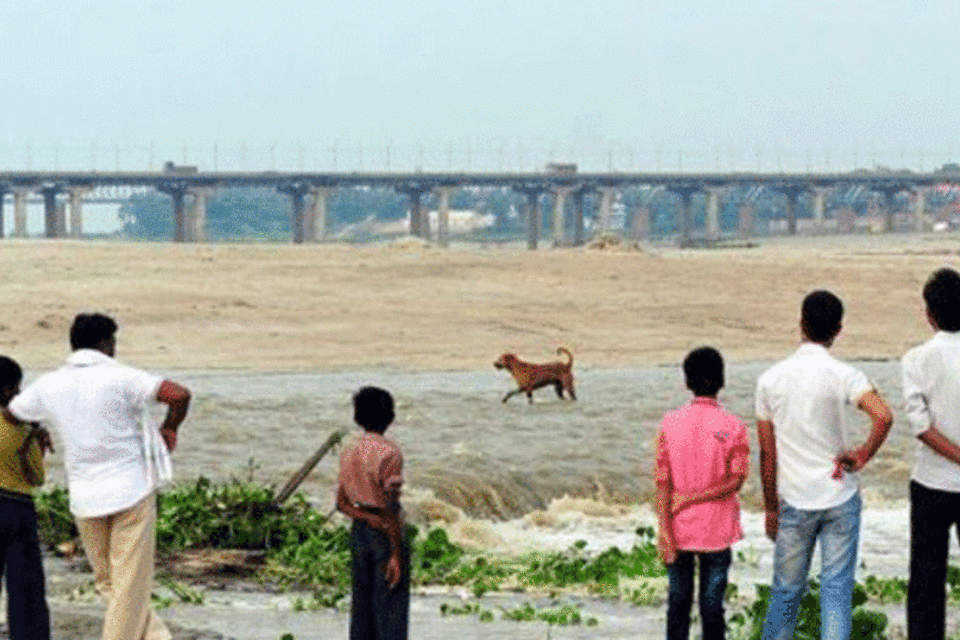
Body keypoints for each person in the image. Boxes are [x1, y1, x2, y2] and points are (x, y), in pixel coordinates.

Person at [5, 313, 191, 640]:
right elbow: (178, 395)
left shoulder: (50, 384)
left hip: (85, 500)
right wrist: (169, 430)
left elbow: (13, 411)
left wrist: (39, 428)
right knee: (128, 585)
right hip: (132, 492)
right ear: (106, 344)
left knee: (110, 583)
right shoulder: (124, 377)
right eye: (113, 342)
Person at [755, 290, 893, 640]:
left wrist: (770, 508)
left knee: (786, 593)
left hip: (794, 500)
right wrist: (863, 454)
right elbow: (884, 415)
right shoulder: (844, 374)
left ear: (800, 324)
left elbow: (767, 454)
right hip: (839, 495)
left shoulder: (770, 381)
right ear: (838, 330)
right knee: (836, 592)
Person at [655, 346, 750, 640]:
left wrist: (664, 531)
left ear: (687, 382)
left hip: (679, 528)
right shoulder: (732, 426)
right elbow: (736, 481)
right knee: (712, 607)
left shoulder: (669, 424)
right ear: (722, 381)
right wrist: (698, 498)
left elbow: (662, 483)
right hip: (717, 531)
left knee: (678, 605)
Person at [902, 267, 960, 639]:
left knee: (926, 578)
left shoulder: (916, 359)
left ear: (929, 314)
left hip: (931, 482)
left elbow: (920, 427)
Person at [336, 386, 409, 640]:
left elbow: (342, 505)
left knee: (361, 612)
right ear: (389, 416)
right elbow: (390, 507)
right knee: (390, 613)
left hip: (359, 533)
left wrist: (368, 519)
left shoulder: (349, 452)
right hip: (385, 535)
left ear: (358, 418)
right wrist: (396, 554)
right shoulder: (390, 453)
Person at [0, 355, 51, 640]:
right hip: (16, 508)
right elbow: (36, 478)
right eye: (16, 388)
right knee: (26, 586)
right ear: (8, 390)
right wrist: (36, 440)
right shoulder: (24, 429)